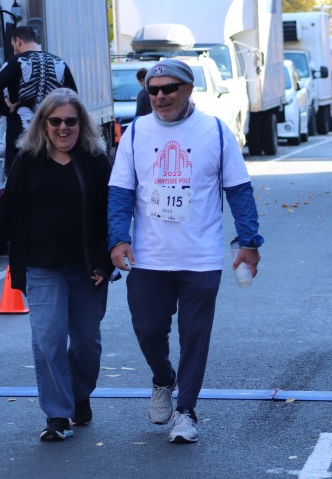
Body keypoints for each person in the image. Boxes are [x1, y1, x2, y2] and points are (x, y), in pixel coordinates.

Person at [108, 59, 264, 444]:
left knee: (195, 335)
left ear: (189, 90)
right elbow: (120, 193)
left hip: (201, 256)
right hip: (149, 257)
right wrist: (117, 237)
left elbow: (239, 191)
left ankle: (186, 410)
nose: (160, 97)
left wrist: (249, 242)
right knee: (147, 330)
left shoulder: (215, 131)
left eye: (169, 89)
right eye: (153, 91)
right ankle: (163, 378)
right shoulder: (134, 133)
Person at [0, 89, 113, 442]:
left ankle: (79, 395)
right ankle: (58, 414)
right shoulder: (28, 160)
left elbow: (112, 215)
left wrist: (104, 261)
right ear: (43, 124)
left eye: (71, 121)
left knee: (86, 345)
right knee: (48, 339)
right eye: (56, 121)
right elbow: (8, 210)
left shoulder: (95, 160)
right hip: (41, 266)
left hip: (86, 268)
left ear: (82, 124)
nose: (63, 128)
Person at [0, 26, 78, 171]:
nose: (14, 50)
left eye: (13, 46)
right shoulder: (59, 62)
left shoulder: (16, 61)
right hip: (52, 137)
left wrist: (6, 110)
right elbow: (73, 97)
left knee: (18, 179)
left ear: (18, 41)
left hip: (20, 137)